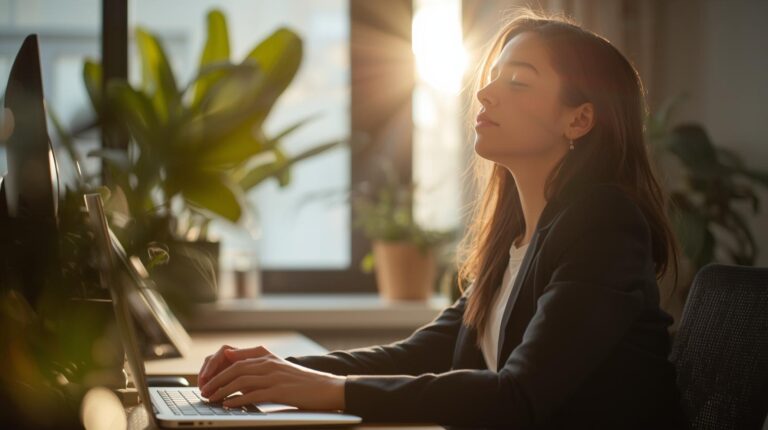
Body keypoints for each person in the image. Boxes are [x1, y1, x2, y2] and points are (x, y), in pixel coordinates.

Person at [196, 8, 688, 429]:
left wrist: (331, 389)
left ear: (578, 120)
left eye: (516, 81)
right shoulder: (517, 241)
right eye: (492, 77)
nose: (486, 94)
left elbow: (518, 395)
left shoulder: (603, 224)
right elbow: (420, 354)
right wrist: (275, 370)